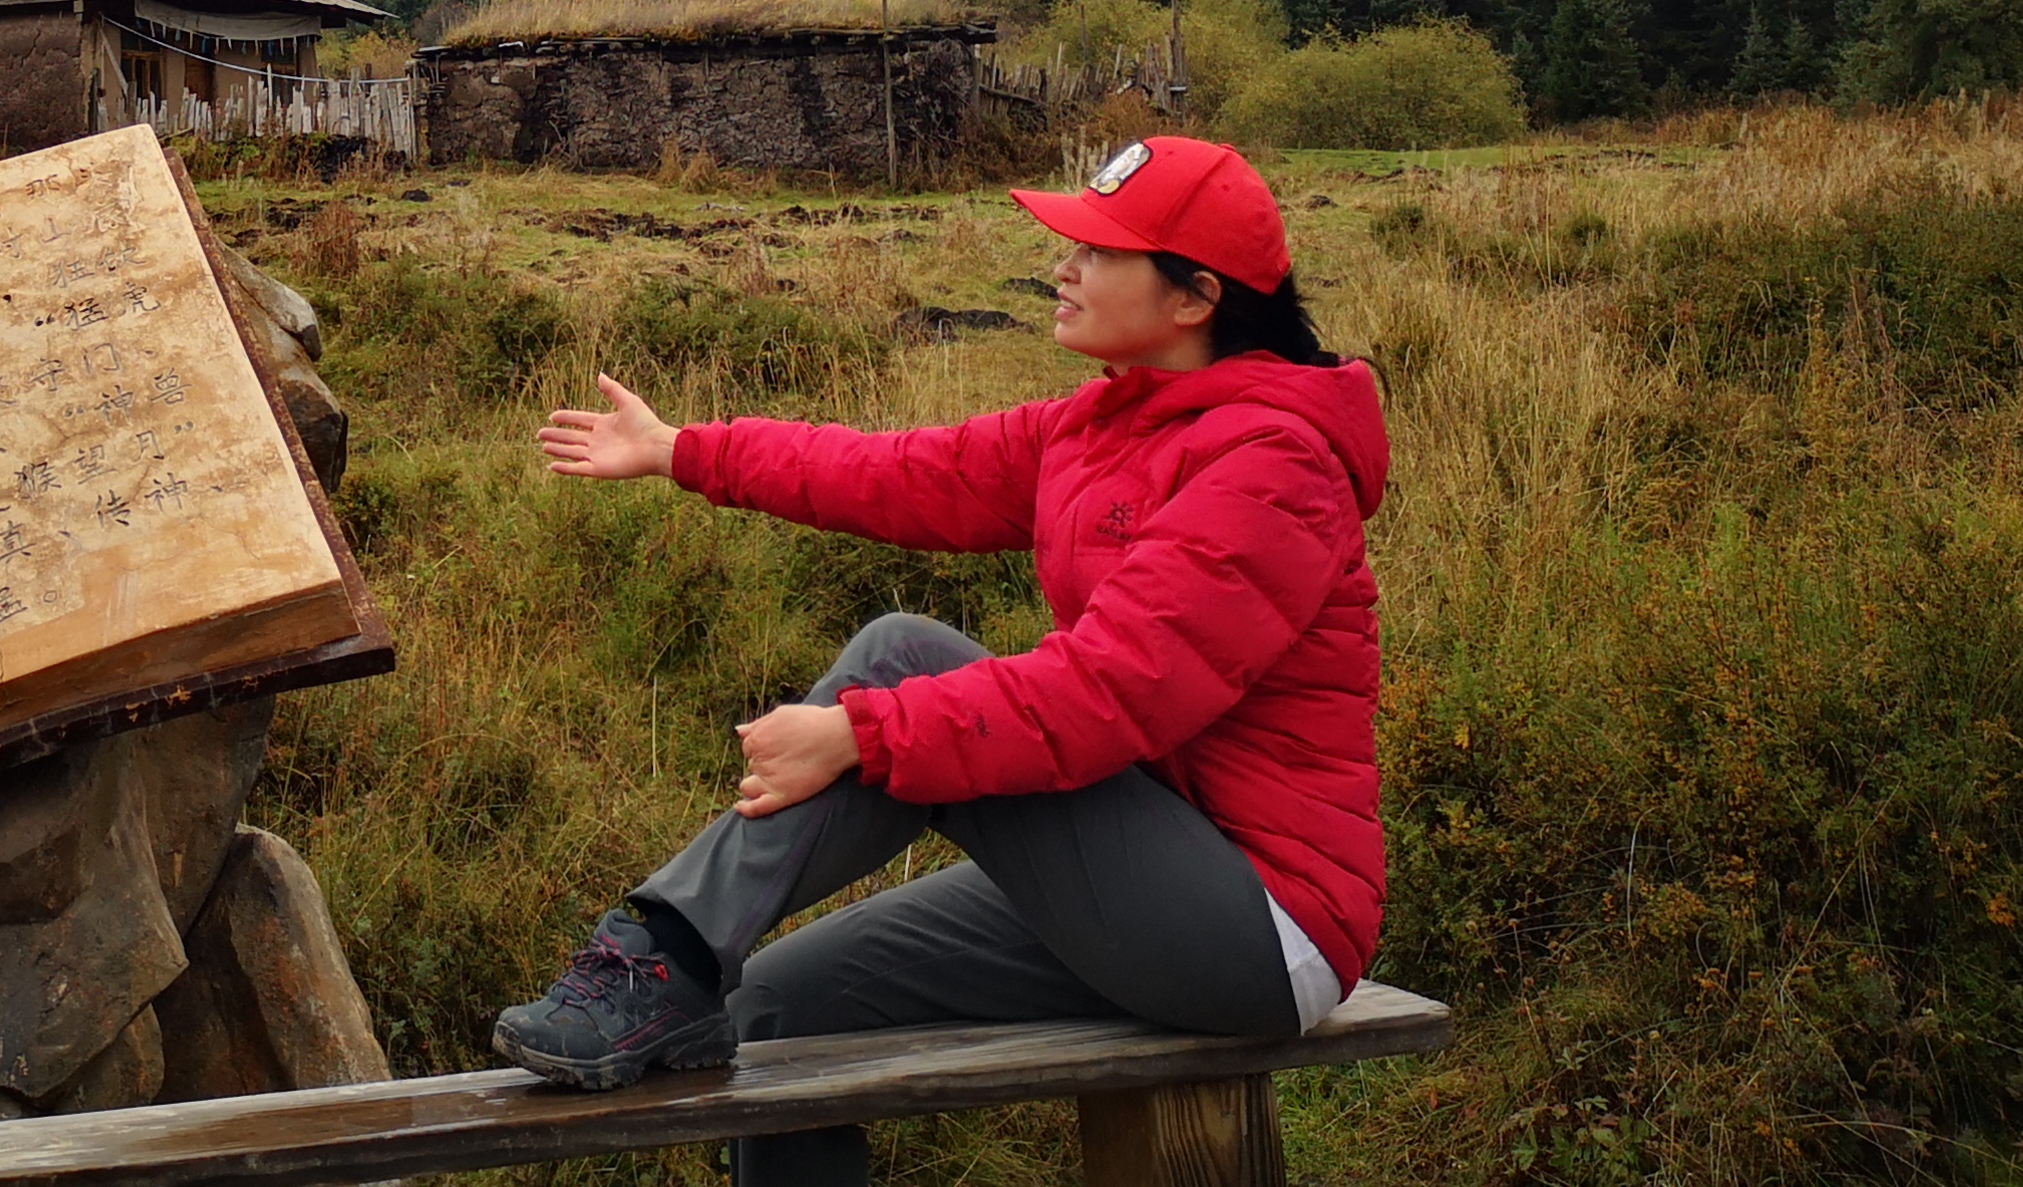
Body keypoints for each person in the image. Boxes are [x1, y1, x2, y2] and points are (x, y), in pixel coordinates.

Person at [490, 135, 1388, 1187]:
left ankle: (664, 953)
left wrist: (858, 733)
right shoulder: (1104, 425)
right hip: (1130, 861)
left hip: (1260, 927)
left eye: (1097, 252)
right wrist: (682, 450)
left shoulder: (1273, 466)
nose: (1062, 267)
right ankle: (684, 971)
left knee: (897, 661)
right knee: (775, 1006)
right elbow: (903, 473)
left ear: (1192, 298)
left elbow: (1105, 695)